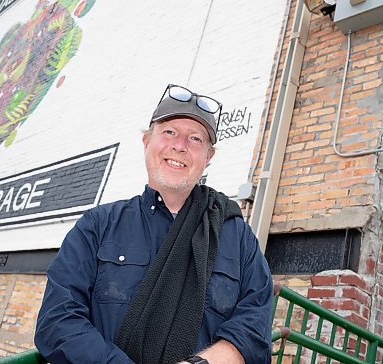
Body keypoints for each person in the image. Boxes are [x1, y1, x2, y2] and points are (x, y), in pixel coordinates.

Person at [34, 84, 273, 364]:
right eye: (169, 132)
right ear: (147, 141)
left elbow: (254, 326)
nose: (180, 146)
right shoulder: (98, 225)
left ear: (208, 158)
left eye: (195, 138)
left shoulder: (237, 235)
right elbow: (58, 320)